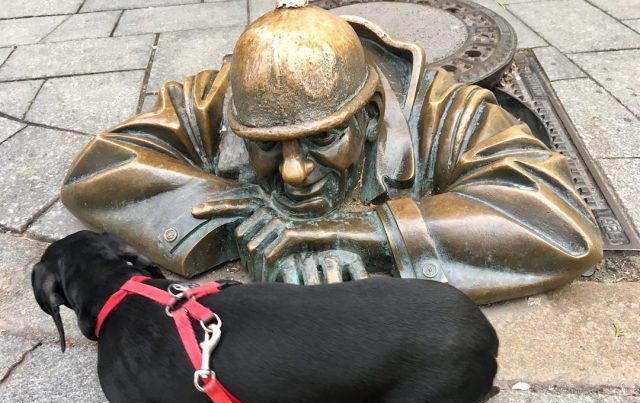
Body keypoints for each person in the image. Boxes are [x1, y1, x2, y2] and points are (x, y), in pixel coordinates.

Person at [61, 3, 602, 304]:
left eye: (323, 139)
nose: (294, 173)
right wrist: (235, 214)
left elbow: (561, 226)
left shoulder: (450, 112)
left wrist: (368, 236)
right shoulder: (220, 98)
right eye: (268, 148)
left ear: (369, 119)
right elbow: (101, 168)